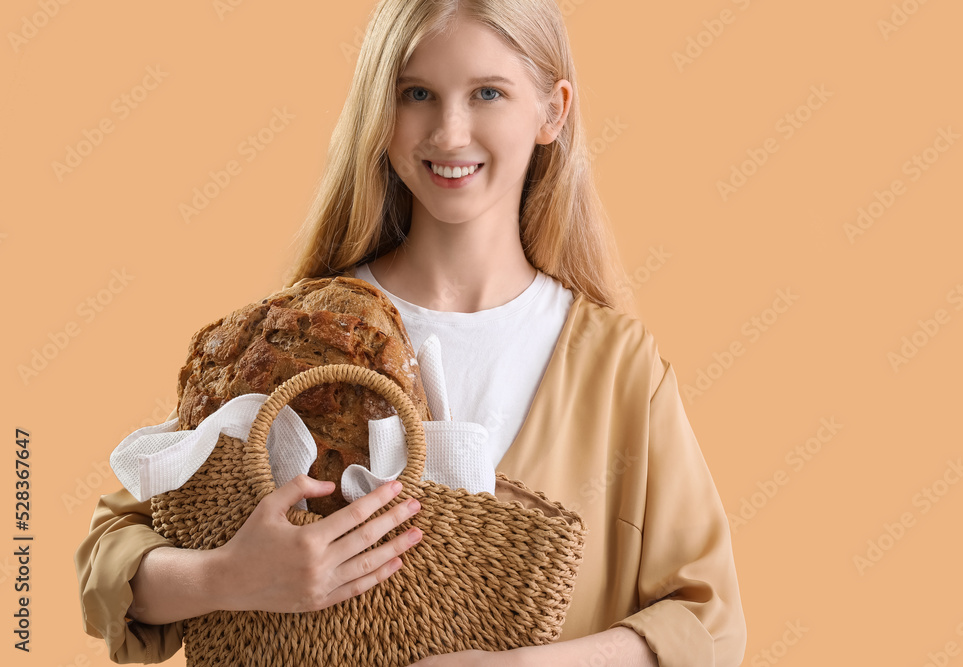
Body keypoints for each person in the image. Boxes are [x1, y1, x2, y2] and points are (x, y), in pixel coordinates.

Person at [74, 1, 747, 665]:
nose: (450, 134)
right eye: (416, 93)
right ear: (380, 113)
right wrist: (231, 575)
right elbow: (109, 552)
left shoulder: (619, 370)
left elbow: (708, 622)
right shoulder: (305, 335)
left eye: (488, 92)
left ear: (552, 111)